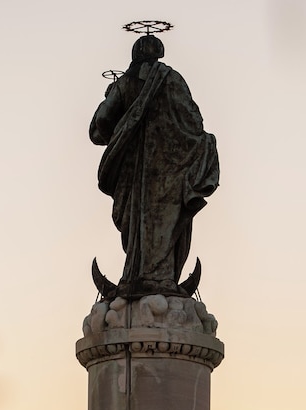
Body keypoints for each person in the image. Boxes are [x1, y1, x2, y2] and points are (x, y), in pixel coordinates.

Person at [90, 34, 219, 299]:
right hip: (171, 171)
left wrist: (121, 131)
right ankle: (162, 279)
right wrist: (199, 144)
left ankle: (137, 278)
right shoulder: (173, 80)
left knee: (135, 224)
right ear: (159, 53)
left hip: (133, 175)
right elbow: (193, 120)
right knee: (167, 225)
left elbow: (99, 125)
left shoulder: (124, 84)